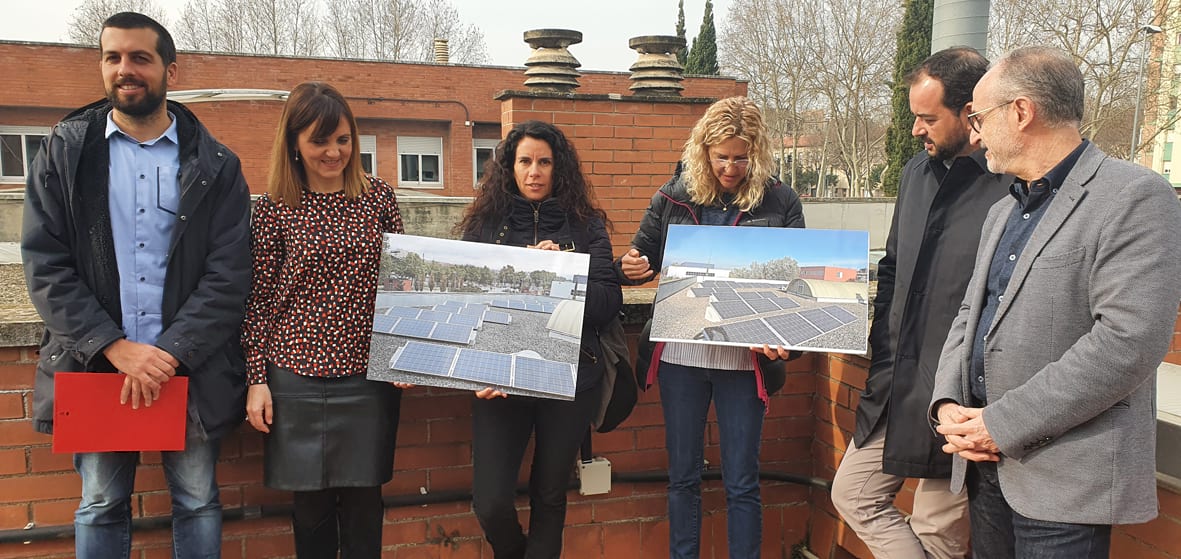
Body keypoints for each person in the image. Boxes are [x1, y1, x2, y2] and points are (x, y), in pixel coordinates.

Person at [930, 46, 1181, 558]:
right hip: (984, 471)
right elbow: (969, 315)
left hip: (1065, 485)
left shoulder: (1135, 197)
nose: (973, 134)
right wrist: (949, 402)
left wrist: (999, 425)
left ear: (1021, 112)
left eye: (979, 117)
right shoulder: (1004, 210)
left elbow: (1127, 343)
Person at [20, 12, 251, 558]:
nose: (125, 69)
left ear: (170, 68)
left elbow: (230, 272)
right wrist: (115, 347)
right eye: (113, 57)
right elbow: (45, 266)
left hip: (189, 367)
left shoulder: (216, 165)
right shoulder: (65, 153)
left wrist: (167, 354)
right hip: (96, 364)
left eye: (140, 57)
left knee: (197, 499)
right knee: (100, 503)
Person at [831, 47, 1010, 558]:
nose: (915, 130)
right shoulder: (914, 174)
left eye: (928, 118)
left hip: (961, 401)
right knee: (852, 494)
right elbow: (891, 269)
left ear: (969, 113)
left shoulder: (1008, 184)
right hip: (897, 385)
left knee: (939, 534)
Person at [618, 96, 804, 559]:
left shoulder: (781, 200)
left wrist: (789, 344)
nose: (730, 167)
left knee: (742, 479)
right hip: (682, 356)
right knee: (683, 477)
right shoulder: (672, 196)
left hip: (745, 359)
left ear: (757, 153)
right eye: (721, 156)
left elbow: (802, 284)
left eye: (741, 157)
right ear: (703, 150)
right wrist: (632, 265)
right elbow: (639, 260)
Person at [241, 81, 405, 558]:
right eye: (319, 140)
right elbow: (257, 299)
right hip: (294, 376)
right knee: (309, 510)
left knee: (364, 505)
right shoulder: (273, 209)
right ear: (293, 141)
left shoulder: (378, 198)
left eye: (343, 139)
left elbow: (402, 285)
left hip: (365, 377)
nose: (333, 152)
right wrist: (256, 379)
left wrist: (406, 359)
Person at [456, 120, 622, 559]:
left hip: (569, 380)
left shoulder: (586, 227)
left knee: (550, 495)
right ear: (509, 167)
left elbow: (608, 303)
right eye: (525, 161)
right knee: (489, 503)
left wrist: (562, 273)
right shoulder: (485, 227)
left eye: (544, 162)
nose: (534, 172)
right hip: (498, 383)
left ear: (558, 168)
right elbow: (467, 301)